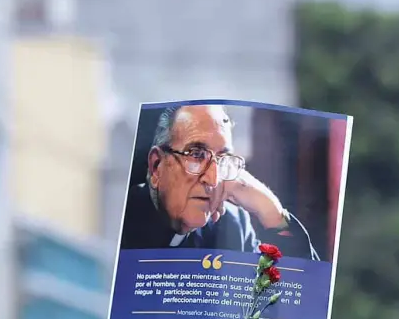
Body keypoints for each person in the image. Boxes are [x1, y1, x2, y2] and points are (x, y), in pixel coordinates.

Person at [120, 104, 319, 259]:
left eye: (222, 160)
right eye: (196, 154)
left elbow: (300, 301)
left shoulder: (232, 226)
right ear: (156, 166)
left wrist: (272, 212)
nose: (213, 179)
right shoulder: (120, 218)